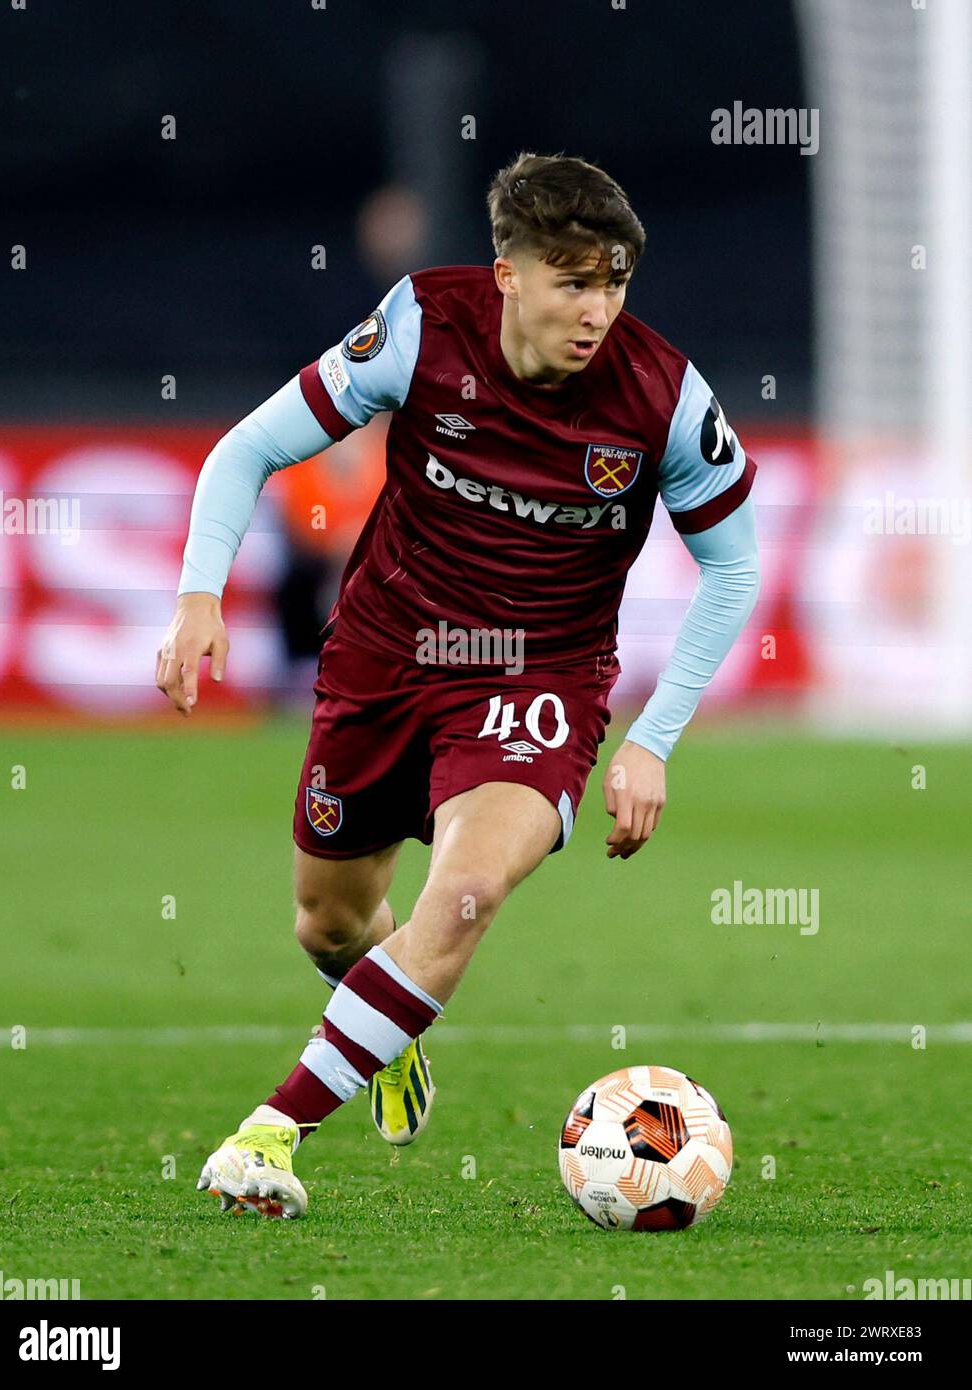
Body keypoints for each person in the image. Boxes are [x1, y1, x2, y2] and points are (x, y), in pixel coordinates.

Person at [155, 151, 761, 1219]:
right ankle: (388, 1030)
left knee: (467, 894)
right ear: (509, 274)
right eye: (573, 281)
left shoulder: (664, 396)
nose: (596, 310)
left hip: (539, 680)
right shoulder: (422, 330)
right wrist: (200, 594)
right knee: (329, 927)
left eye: (613, 283)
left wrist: (654, 737)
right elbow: (246, 450)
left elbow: (733, 566)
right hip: (386, 657)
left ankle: (270, 1133)